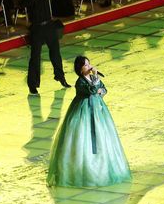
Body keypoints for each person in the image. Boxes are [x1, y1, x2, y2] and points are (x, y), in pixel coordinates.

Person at [47, 55, 131, 187]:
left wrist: (98, 88)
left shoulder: (92, 78)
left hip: (98, 110)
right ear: (80, 69)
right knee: (82, 137)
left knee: (101, 135)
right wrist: (96, 83)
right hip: (83, 111)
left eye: (89, 64)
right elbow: (92, 90)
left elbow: (103, 89)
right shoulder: (80, 82)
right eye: (86, 65)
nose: (89, 67)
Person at [24, 0, 70, 94]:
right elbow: (25, 3)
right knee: (35, 57)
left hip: (49, 25)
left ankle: (60, 77)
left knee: (55, 53)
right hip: (37, 28)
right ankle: (33, 84)